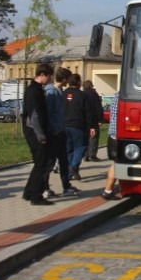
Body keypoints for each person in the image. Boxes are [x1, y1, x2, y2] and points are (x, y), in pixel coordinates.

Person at [44, 67, 80, 197]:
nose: (68, 82)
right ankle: (45, 187)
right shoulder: (51, 92)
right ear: (64, 79)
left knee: (64, 161)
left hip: (61, 131)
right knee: (50, 162)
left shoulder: (59, 91)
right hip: (54, 133)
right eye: (68, 79)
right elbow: (47, 113)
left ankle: (66, 186)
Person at [22, 63, 54, 205]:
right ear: (42, 75)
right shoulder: (34, 91)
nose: (50, 79)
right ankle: (36, 196)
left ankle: (29, 192)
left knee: (39, 163)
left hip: (34, 131)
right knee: (42, 163)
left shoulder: (35, 89)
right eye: (49, 77)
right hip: (34, 132)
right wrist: (41, 135)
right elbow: (34, 115)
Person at [64, 74, 96, 181]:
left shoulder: (63, 94)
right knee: (81, 147)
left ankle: (68, 174)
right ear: (78, 82)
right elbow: (88, 112)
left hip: (65, 125)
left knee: (69, 150)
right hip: (78, 125)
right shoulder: (82, 95)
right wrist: (91, 126)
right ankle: (73, 166)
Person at [101, 93, 122, 200]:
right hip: (119, 136)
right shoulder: (123, 97)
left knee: (116, 163)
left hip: (112, 135)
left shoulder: (115, 96)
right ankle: (108, 190)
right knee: (117, 164)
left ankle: (110, 189)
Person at [82, 79, 103, 161]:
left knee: (86, 137)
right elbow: (98, 107)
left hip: (84, 119)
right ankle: (92, 155)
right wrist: (100, 119)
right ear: (91, 86)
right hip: (94, 118)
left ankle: (86, 155)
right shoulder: (94, 94)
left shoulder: (82, 94)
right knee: (94, 137)